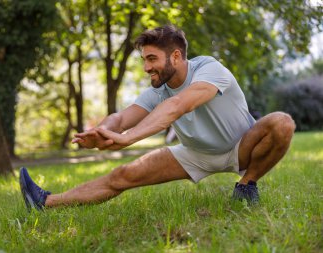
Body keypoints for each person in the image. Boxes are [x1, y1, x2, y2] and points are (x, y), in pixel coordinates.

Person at [19, 25, 295, 211]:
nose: (146, 67)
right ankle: (45, 202)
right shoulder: (157, 90)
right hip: (196, 153)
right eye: (144, 60)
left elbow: (178, 106)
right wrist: (102, 131)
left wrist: (126, 139)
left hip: (240, 146)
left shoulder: (210, 69)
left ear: (176, 56)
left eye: (151, 59)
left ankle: (247, 185)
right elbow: (122, 117)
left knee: (282, 122)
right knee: (124, 174)